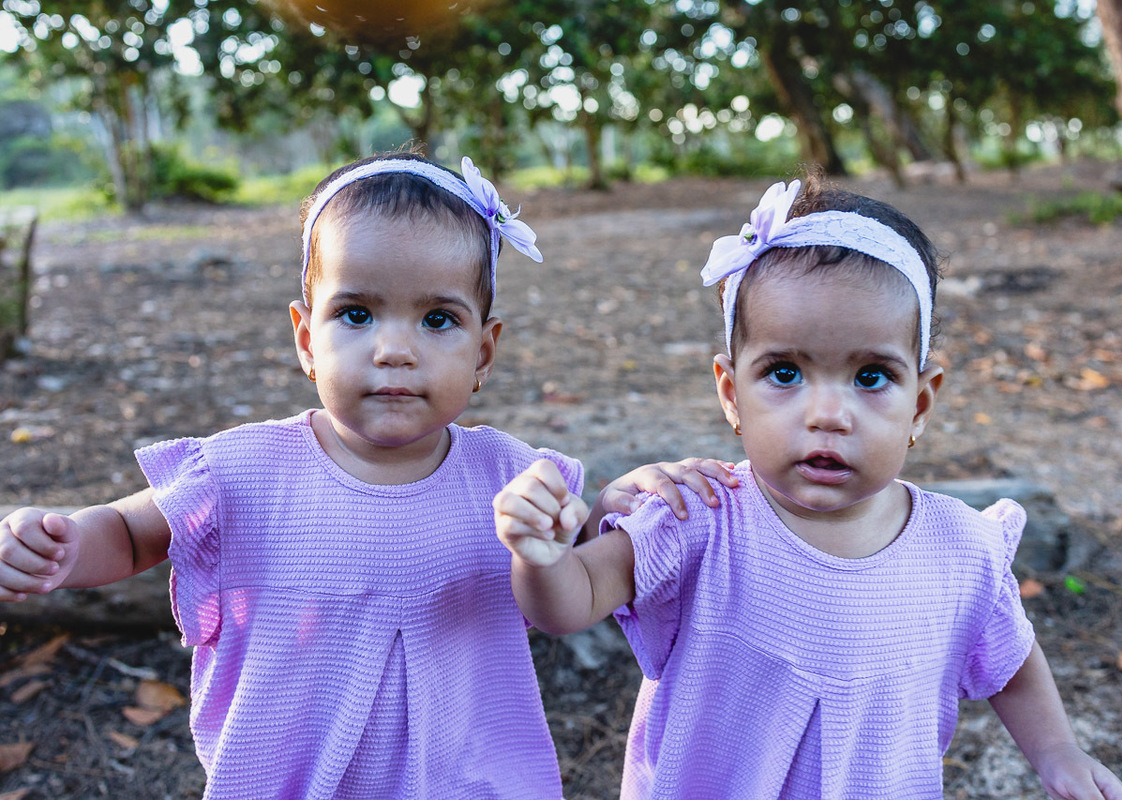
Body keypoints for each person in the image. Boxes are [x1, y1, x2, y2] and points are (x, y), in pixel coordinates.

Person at [0, 150, 735, 800]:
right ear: (305, 338)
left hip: (467, 780)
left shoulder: (509, 476)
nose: (393, 350)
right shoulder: (244, 468)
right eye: (356, 314)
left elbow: (570, 575)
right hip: (292, 777)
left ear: (483, 352)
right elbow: (134, 533)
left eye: (438, 320)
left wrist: (610, 510)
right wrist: (66, 543)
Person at [494, 174, 1122, 799]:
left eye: (871, 377)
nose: (828, 414)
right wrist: (542, 558)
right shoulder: (698, 518)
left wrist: (1058, 751)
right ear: (731, 393)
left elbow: (1011, 664)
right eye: (784, 372)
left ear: (919, 403)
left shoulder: (961, 550)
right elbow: (569, 604)